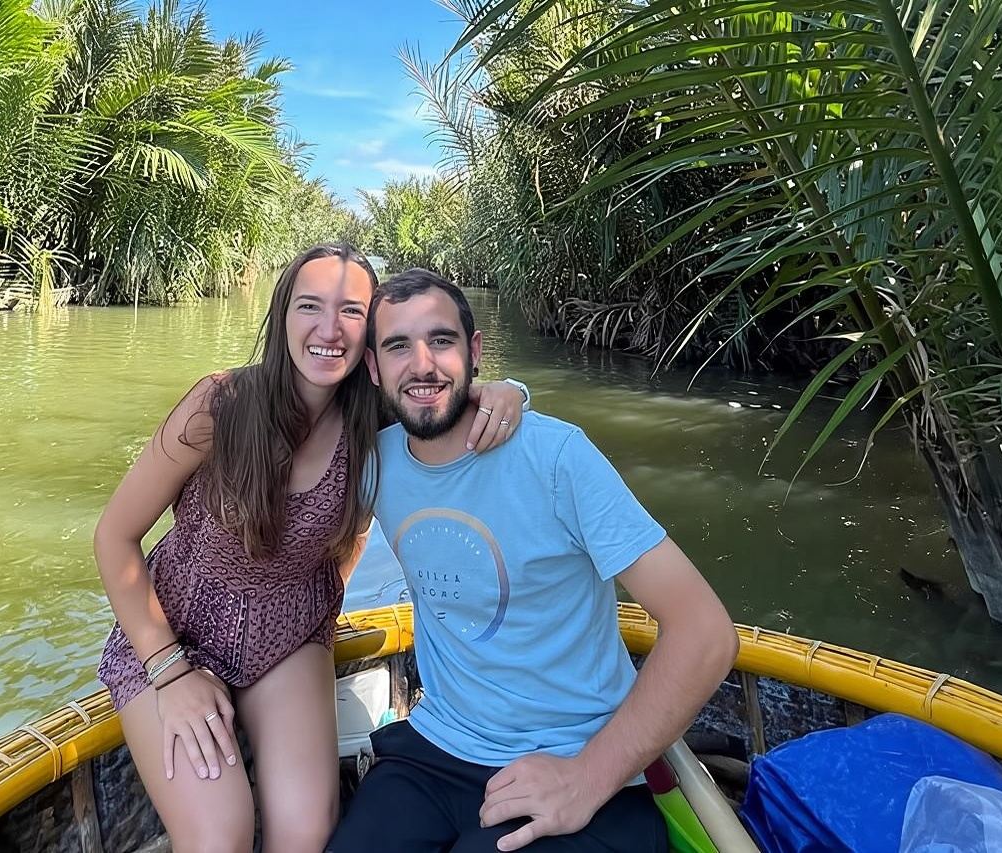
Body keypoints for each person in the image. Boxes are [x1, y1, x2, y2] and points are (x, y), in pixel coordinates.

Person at [92, 246, 526, 853]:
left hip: (291, 631)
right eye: (310, 307)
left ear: (370, 336)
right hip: (172, 631)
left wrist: (511, 390)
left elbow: (446, 395)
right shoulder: (220, 406)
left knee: (305, 832)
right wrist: (169, 672)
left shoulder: (375, 422)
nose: (329, 329)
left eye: (351, 311)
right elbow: (114, 537)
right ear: (282, 317)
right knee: (220, 837)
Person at [329, 269, 739, 853]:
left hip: (575, 759)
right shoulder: (376, 462)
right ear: (372, 368)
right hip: (438, 748)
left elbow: (705, 633)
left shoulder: (557, 457)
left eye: (441, 340)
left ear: (474, 352)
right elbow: (321, 529)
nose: (421, 364)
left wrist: (588, 778)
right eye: (398, 346)